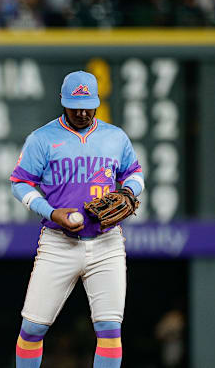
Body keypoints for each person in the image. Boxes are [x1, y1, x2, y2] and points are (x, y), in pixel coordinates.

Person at [9, 71, 144, 368]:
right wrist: (50, 211)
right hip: (58, 242)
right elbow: (19, 183)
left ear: (97, 102)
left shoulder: (115, 137)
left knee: (110, 330)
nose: (82, 112)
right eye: (75, 105)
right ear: (62, 102)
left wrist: (127, 190)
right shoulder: (42, 139)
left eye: (88, 105)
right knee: (32, 329)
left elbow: (135, 173)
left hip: (107, 242)